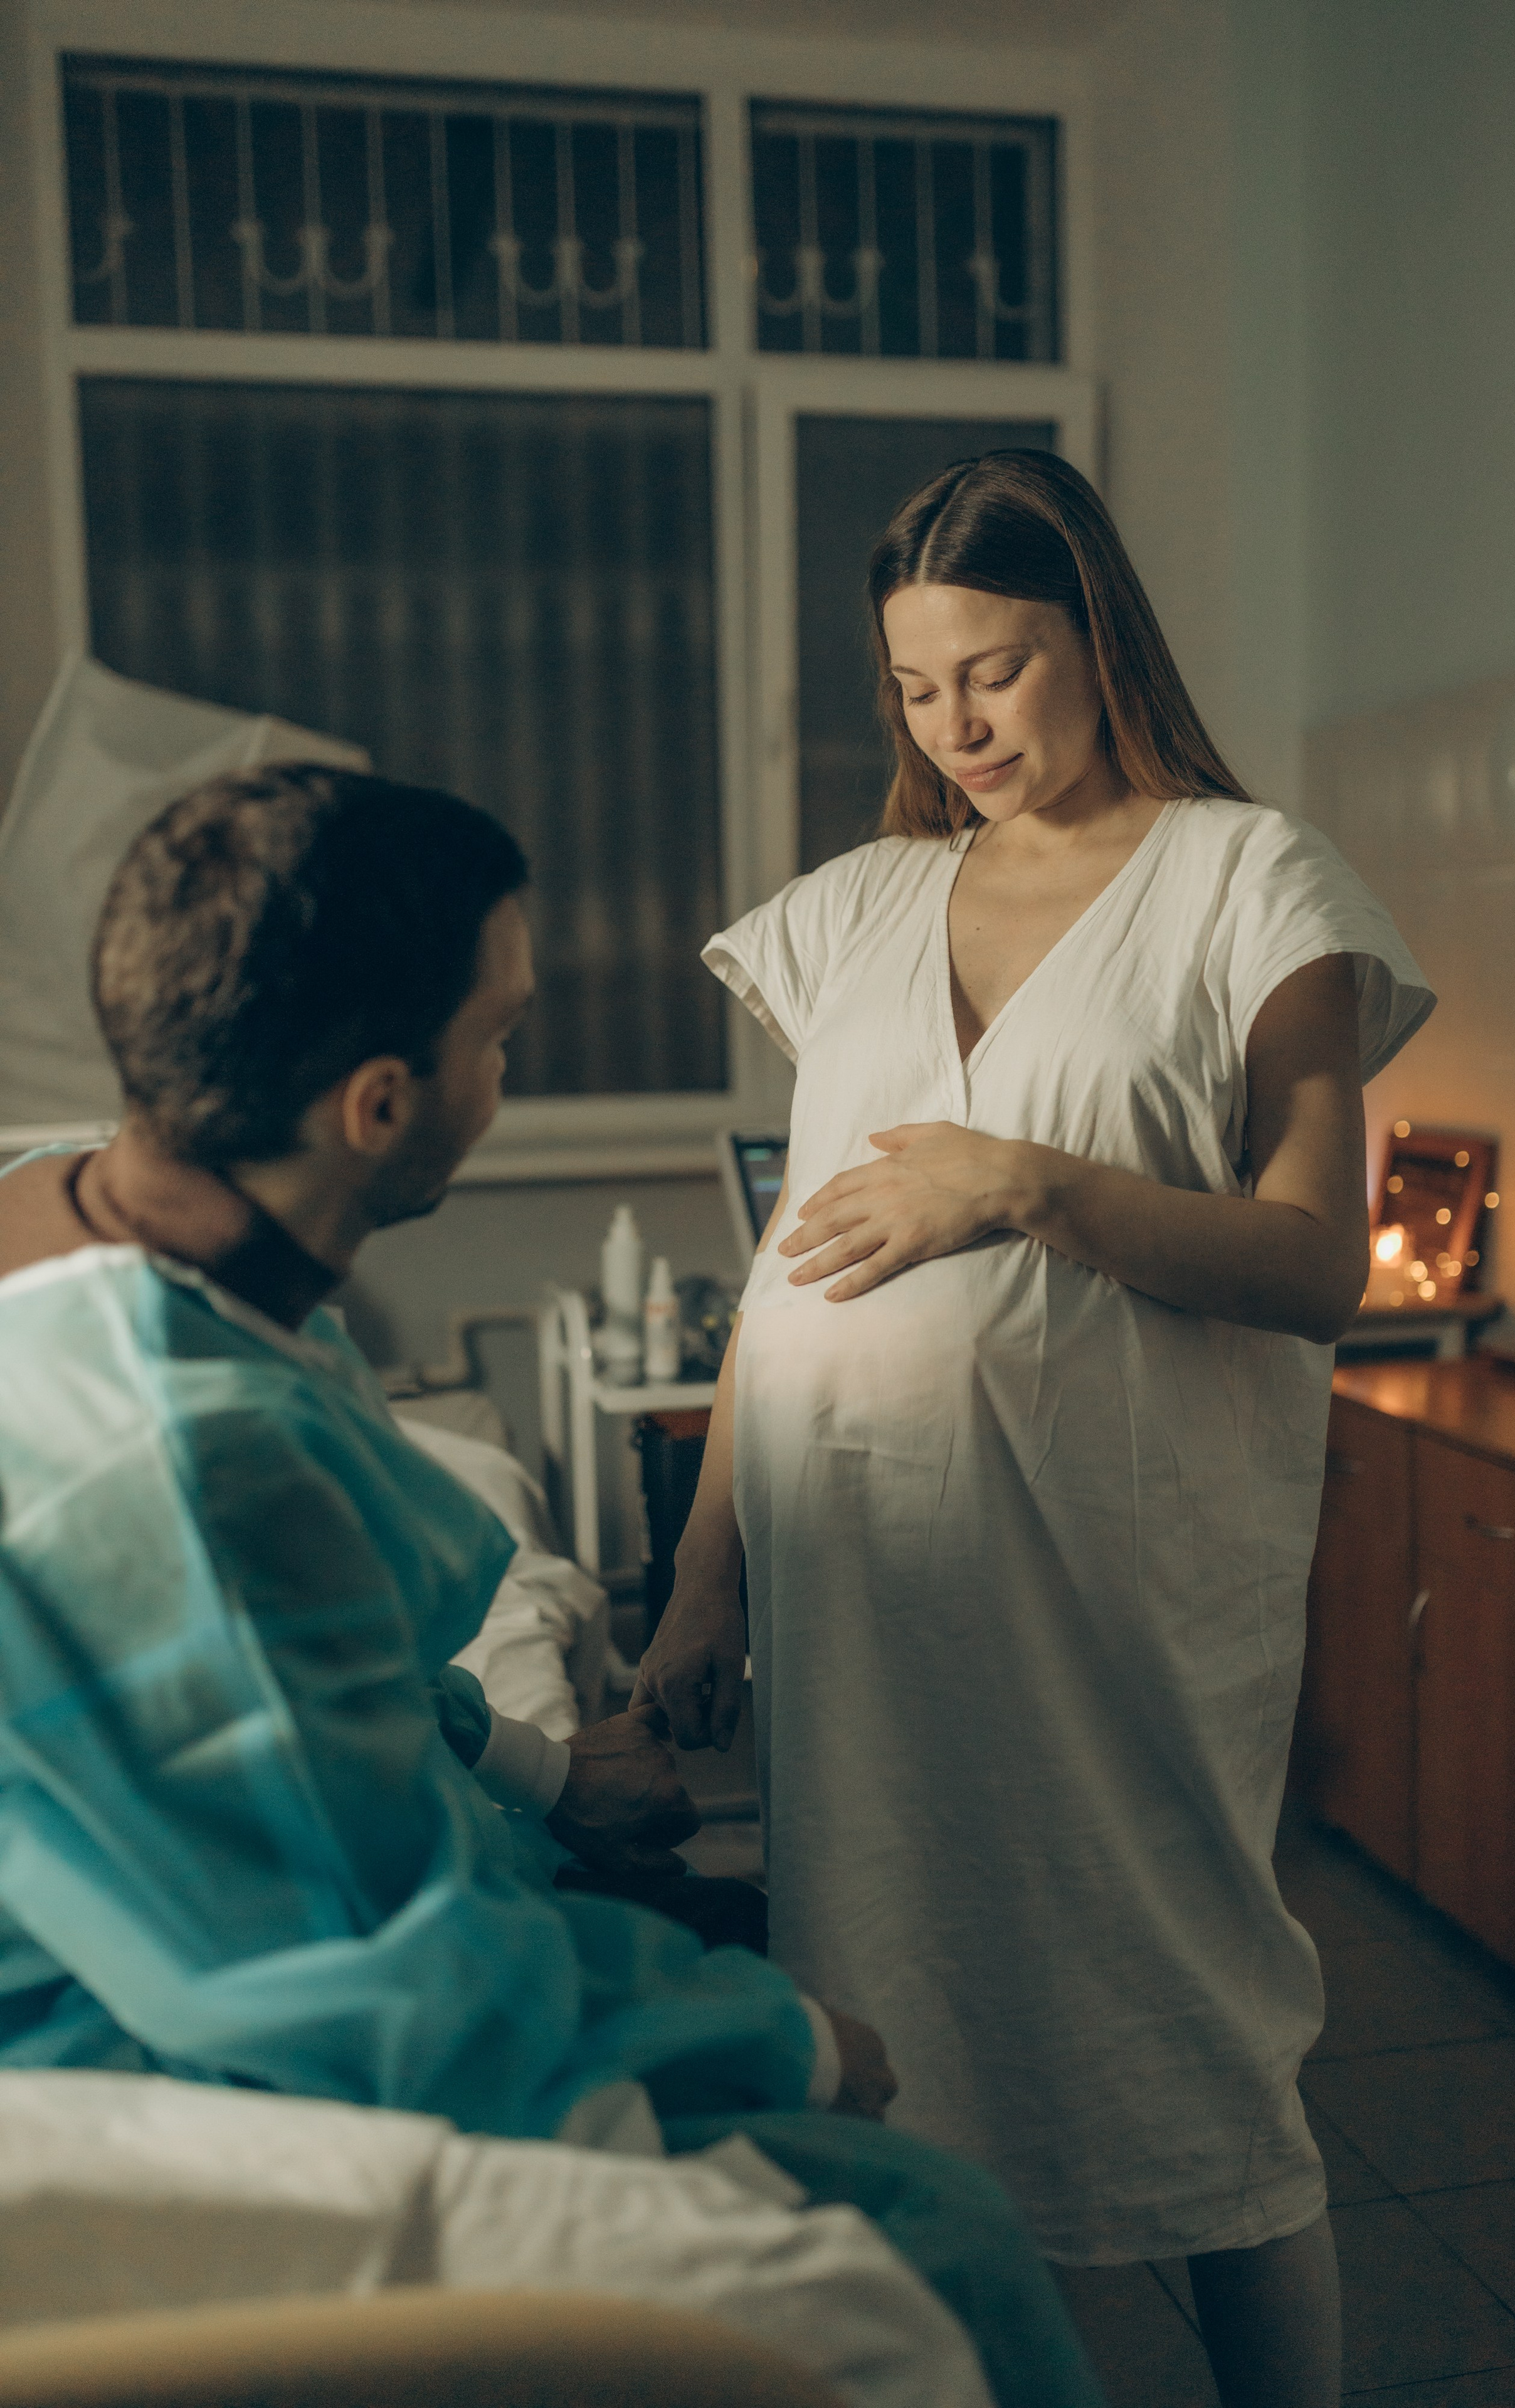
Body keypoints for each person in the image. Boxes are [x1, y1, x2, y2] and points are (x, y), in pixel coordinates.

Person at [0, 763, 1101, 2408]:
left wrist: (537, 1761)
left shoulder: (102, 1221)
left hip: (237, 1922)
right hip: (154, 2053)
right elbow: (385, 2004)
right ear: (380, 1102)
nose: (509, 1073)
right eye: (499, 1041)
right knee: (930, 2254)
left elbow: (303, 1697)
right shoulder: (183, 1464)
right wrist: (779, 2036)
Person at [635, 451, 1436, 2408]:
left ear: (1097, 633)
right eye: (914, 688)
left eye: (992, 669)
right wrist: (699, 1580)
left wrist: (1023, 1185)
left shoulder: (1254, 880)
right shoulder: (855, 911)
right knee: (909, 2045)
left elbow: (1319, 1259)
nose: (955, 726)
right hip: (867, 1596)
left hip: (1113, 1594)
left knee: (1194, 2049)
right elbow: (792, 1269)